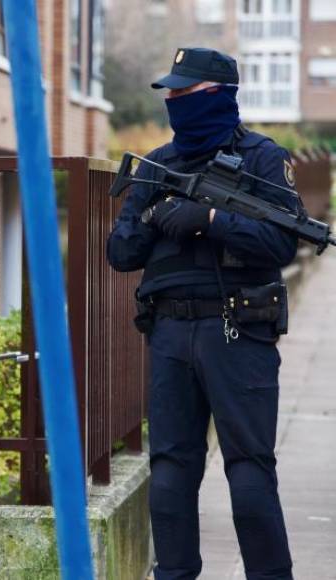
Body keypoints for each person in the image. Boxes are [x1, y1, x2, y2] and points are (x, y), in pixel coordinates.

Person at [107, 48, 295, 579]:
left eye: (182, 92)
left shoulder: (261, 158)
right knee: (169, 471)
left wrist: (208, 217)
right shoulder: (157, 163)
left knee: (249, 471)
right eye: (169, 92)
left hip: (238, 330)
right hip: (169, 333)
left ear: (216, 95)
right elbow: (121, 253)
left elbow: (283, 241)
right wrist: (156, 216)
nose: (171, 100)